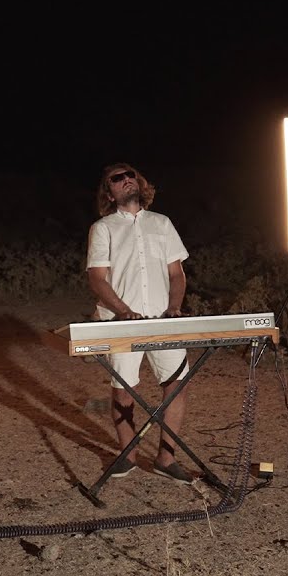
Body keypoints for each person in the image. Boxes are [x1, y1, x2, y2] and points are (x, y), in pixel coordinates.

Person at [85, 163, 195, 483]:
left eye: (130, 174)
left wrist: (174, 307)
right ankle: (128, 456)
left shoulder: (161, 223)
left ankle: (166, 459)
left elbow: (176, 274)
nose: (126, 180)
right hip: (120, 322)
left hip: (163, 319)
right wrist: (122, 310)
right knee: (124, 390)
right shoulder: (103, 228)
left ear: (139, 182)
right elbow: (97, 278)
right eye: (116, 179)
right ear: (109, 193)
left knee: (176, 384)